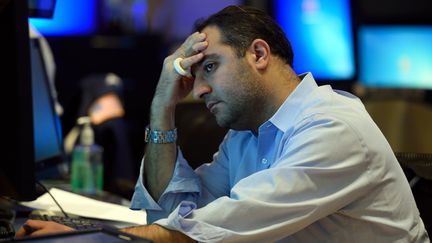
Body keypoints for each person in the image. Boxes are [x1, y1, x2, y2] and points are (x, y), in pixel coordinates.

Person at [16, 5, 429, 243]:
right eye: (194, 75)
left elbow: (206, 231)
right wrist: (162, 108)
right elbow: (175, 213)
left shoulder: (331, 129)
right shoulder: (246, 135)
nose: (197, 90)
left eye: (210, 67)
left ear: (259, 54)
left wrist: (90, 239)